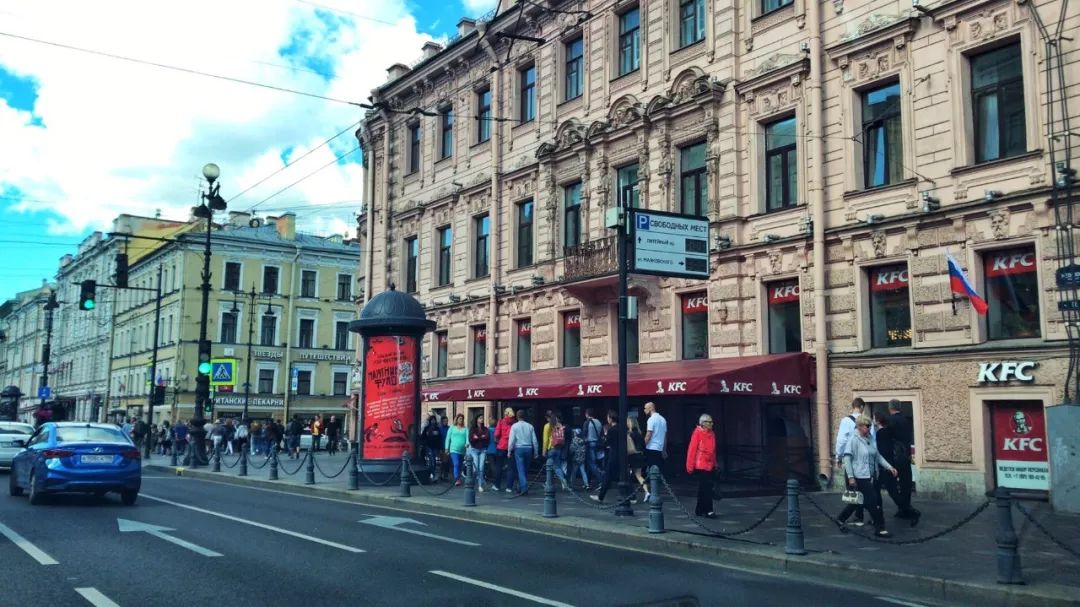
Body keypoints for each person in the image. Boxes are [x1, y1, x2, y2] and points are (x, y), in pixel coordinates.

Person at [838, 415, 898, 537]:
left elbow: (878, 456)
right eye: (867, 426)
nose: (869, 428)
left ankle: (840, 519)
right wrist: (851, 477)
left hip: (870, 474)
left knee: (857, 502)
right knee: (872, 501)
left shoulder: (870, 439)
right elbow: (848, 459)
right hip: (859, 476)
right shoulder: (853, 440)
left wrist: (890, 467)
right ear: (859, 426)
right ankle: (880, 528)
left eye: (870, 426)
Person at [874, 412, 920, 525]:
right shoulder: (890, 432)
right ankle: (904, 510)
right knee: (887, 490)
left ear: (878, 421)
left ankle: (909, 510)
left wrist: (886, 466)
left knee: (891, 490)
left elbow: (883, 451)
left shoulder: (881, 433)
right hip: (892, 464)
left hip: (887, 466)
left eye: (874, 419)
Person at [834, 398, 867, 526]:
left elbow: (841, 440)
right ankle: (859, 515)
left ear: (853, 406)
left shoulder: (846, 421)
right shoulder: (866, 421)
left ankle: (851, 516)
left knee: (852, 487)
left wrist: (839, 456)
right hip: (864, 458)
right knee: (863, 486)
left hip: (851, 458)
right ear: (862, 407)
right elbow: (873, 440)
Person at [887, 399, 918, 524]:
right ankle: (904, 507)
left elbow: (889, 438)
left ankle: (904, 508)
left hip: (895, 457)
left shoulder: (891, 421)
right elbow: (909, 438)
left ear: (890, 408)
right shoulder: (906, 420)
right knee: (906, 484)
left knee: (891, 484)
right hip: (906, 456)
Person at [686, 414, 718, 518]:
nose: (711, 423)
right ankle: (709, 510)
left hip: (710, 465)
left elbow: (713, 451)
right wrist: (689, 466)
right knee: (707, 488)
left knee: (703, 488)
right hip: (701, 465)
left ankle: (699, 510)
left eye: (711, 422)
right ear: (703, 423)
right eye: (709, 422)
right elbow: (692, 449)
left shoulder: (712, 434)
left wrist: (715, 463)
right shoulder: (697, 433)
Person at [507, 409, 538, 495]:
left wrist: (509, 451)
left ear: (517, 417)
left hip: (519, 448)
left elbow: (511, 440)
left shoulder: (514, 426)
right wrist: (535, 452)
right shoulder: (530, 426)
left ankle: (524, 488)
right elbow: (534, 440)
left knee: (520, 470)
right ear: (525, 416)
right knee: (526, 469)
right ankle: (520, 486)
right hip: (529, 448)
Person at [592, 412, 621, 503]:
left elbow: (607, 443)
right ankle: (633, 496)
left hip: (613, 454)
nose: (607, 419)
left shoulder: (612, 430)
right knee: (623, 476)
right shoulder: (621, 428)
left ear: (611, 418)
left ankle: (601, 497)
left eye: (608, 418)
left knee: (608, 476)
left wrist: (602, 442)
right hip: (621, 455)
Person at [493, 407, 517, 493]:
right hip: (512, 447)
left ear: (505, 413)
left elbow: (496, 433)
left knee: (499, 466)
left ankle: (497, 485)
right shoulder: (514, 423)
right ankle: (509, 487)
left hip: (501, 446)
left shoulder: (501, 421)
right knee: (511, 468)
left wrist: (497, 441)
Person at [546, 413, 570, 491]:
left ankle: (550, 483)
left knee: (550, 466)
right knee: (557, 466)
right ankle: (562, 481)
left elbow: (545, 440)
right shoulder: (559, 425)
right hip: (559, 448)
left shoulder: (548, 426)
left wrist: (543, 450)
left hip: (551, 448)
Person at [643, 402, 667, 475]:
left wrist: (643, 445)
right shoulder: (663, 419)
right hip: (660, 448)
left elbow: (648, 434)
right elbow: (665, 436)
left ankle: (652, 485)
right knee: (658, 470)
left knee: (652, 470)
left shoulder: (651, 419)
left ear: (651, 408)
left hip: (651, 447)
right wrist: (664, 450)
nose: (644, 410)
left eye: (645, 408)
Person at [582, 408, 604, 490]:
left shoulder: (587, 422)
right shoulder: (598, 422)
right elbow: (601, 434)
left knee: (592, 463)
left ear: (587, 414)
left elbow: (584, 434)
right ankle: (587, 481)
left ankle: (601, 480)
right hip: (598, 444)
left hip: (590, 443)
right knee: (594, 463)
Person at [627, 417, 647, 501]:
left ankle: (632, 496)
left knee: (629, 476)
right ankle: (647, 491)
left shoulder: (630, 434)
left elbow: (629, 448)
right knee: (639, 476)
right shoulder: (640, 433)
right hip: (640, 456)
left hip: (633, 456)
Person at [467, 415, 489, 491]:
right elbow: (471, 439)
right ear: (477, 419)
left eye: (482, 418)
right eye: (480, 418)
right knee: (475, 468)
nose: (482, 419)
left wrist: (478, 437)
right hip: (474, 449)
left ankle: (480, 485)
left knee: (481, 467)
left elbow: (487, 438)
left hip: (483, 449)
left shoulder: (485, 429)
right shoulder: (473, 429)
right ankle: (471, 482)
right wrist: (481, 437)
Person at [445, 413, 468, 485]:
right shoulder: (452, 428)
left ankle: (458, 477)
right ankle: (456, 479)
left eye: (462, 419)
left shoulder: (466, 428)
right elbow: (448, 438)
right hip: (453, 449)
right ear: (457, 419)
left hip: (462, 450)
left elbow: (467, 437)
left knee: (460, 465)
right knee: (456, 464)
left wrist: (467, 443)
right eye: (460, 419)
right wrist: (446, 448)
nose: (461, 420)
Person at [421, 415, 442, 481]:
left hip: (435, 447)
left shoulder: (437, 428)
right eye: (432, 420)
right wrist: (424, 444)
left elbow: (439, 438)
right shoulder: (426, 428)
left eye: (434, 420)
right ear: (430, 421)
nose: (433, 421)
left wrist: (439, 447)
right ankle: (433, 474)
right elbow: (422, 437)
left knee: (434, 462)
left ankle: (432, 474)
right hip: (428, 447)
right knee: (431, 460)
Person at [485, 416, 498, 484]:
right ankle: (487, 476)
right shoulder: (497, 430)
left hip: (489, 450)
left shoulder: (488, 430)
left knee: (492, 464)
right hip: (497, 449)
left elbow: (486, 440)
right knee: (493, 464)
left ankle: (496, 479)